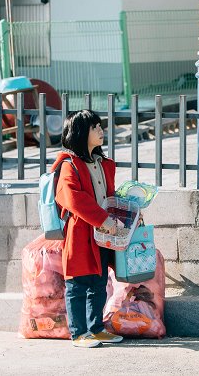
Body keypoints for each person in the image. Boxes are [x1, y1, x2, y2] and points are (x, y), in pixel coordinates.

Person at [53, 109, 124, 348]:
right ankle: (78, 333)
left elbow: (110, 196)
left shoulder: (101, 163)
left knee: (99, 281)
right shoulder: (69, 165)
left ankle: (96, 328)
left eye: (100, 126)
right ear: (81, 132)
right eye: (95, 127)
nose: (101, 131)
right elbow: (73, 198)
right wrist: (103, 220)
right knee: (77, 284)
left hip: (102, 234)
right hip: (80, 233)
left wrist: (127, 213)